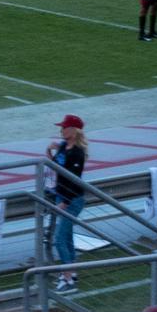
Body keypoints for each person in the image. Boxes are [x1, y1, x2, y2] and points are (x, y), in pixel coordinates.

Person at [46, 116, 89, 291]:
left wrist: (65, 202)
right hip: (61, 196)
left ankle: (68, 279)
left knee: (60, 239)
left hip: (72, 200)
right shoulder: (64, 146)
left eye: (64, 128)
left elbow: (74, 180)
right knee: (67, 235)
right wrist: (50, 152)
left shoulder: (77, 152)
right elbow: (56, 167)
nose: (61, 130)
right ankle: (72, 270)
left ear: (74, 130)